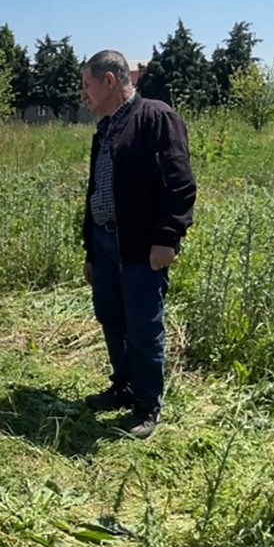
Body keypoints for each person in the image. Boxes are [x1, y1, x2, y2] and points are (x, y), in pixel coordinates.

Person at [79, 49, 196, 440]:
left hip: (141, 244)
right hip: (105, 241)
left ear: (110, 81)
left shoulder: (156, 118)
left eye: (88, 85)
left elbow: (180, 185)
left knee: (143, 326)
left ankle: (147, 406)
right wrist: (91, 249)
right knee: (111, 317)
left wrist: (167, 239)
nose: (84, 94)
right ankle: (124, 387)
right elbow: (96, 190)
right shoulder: (106, 128)